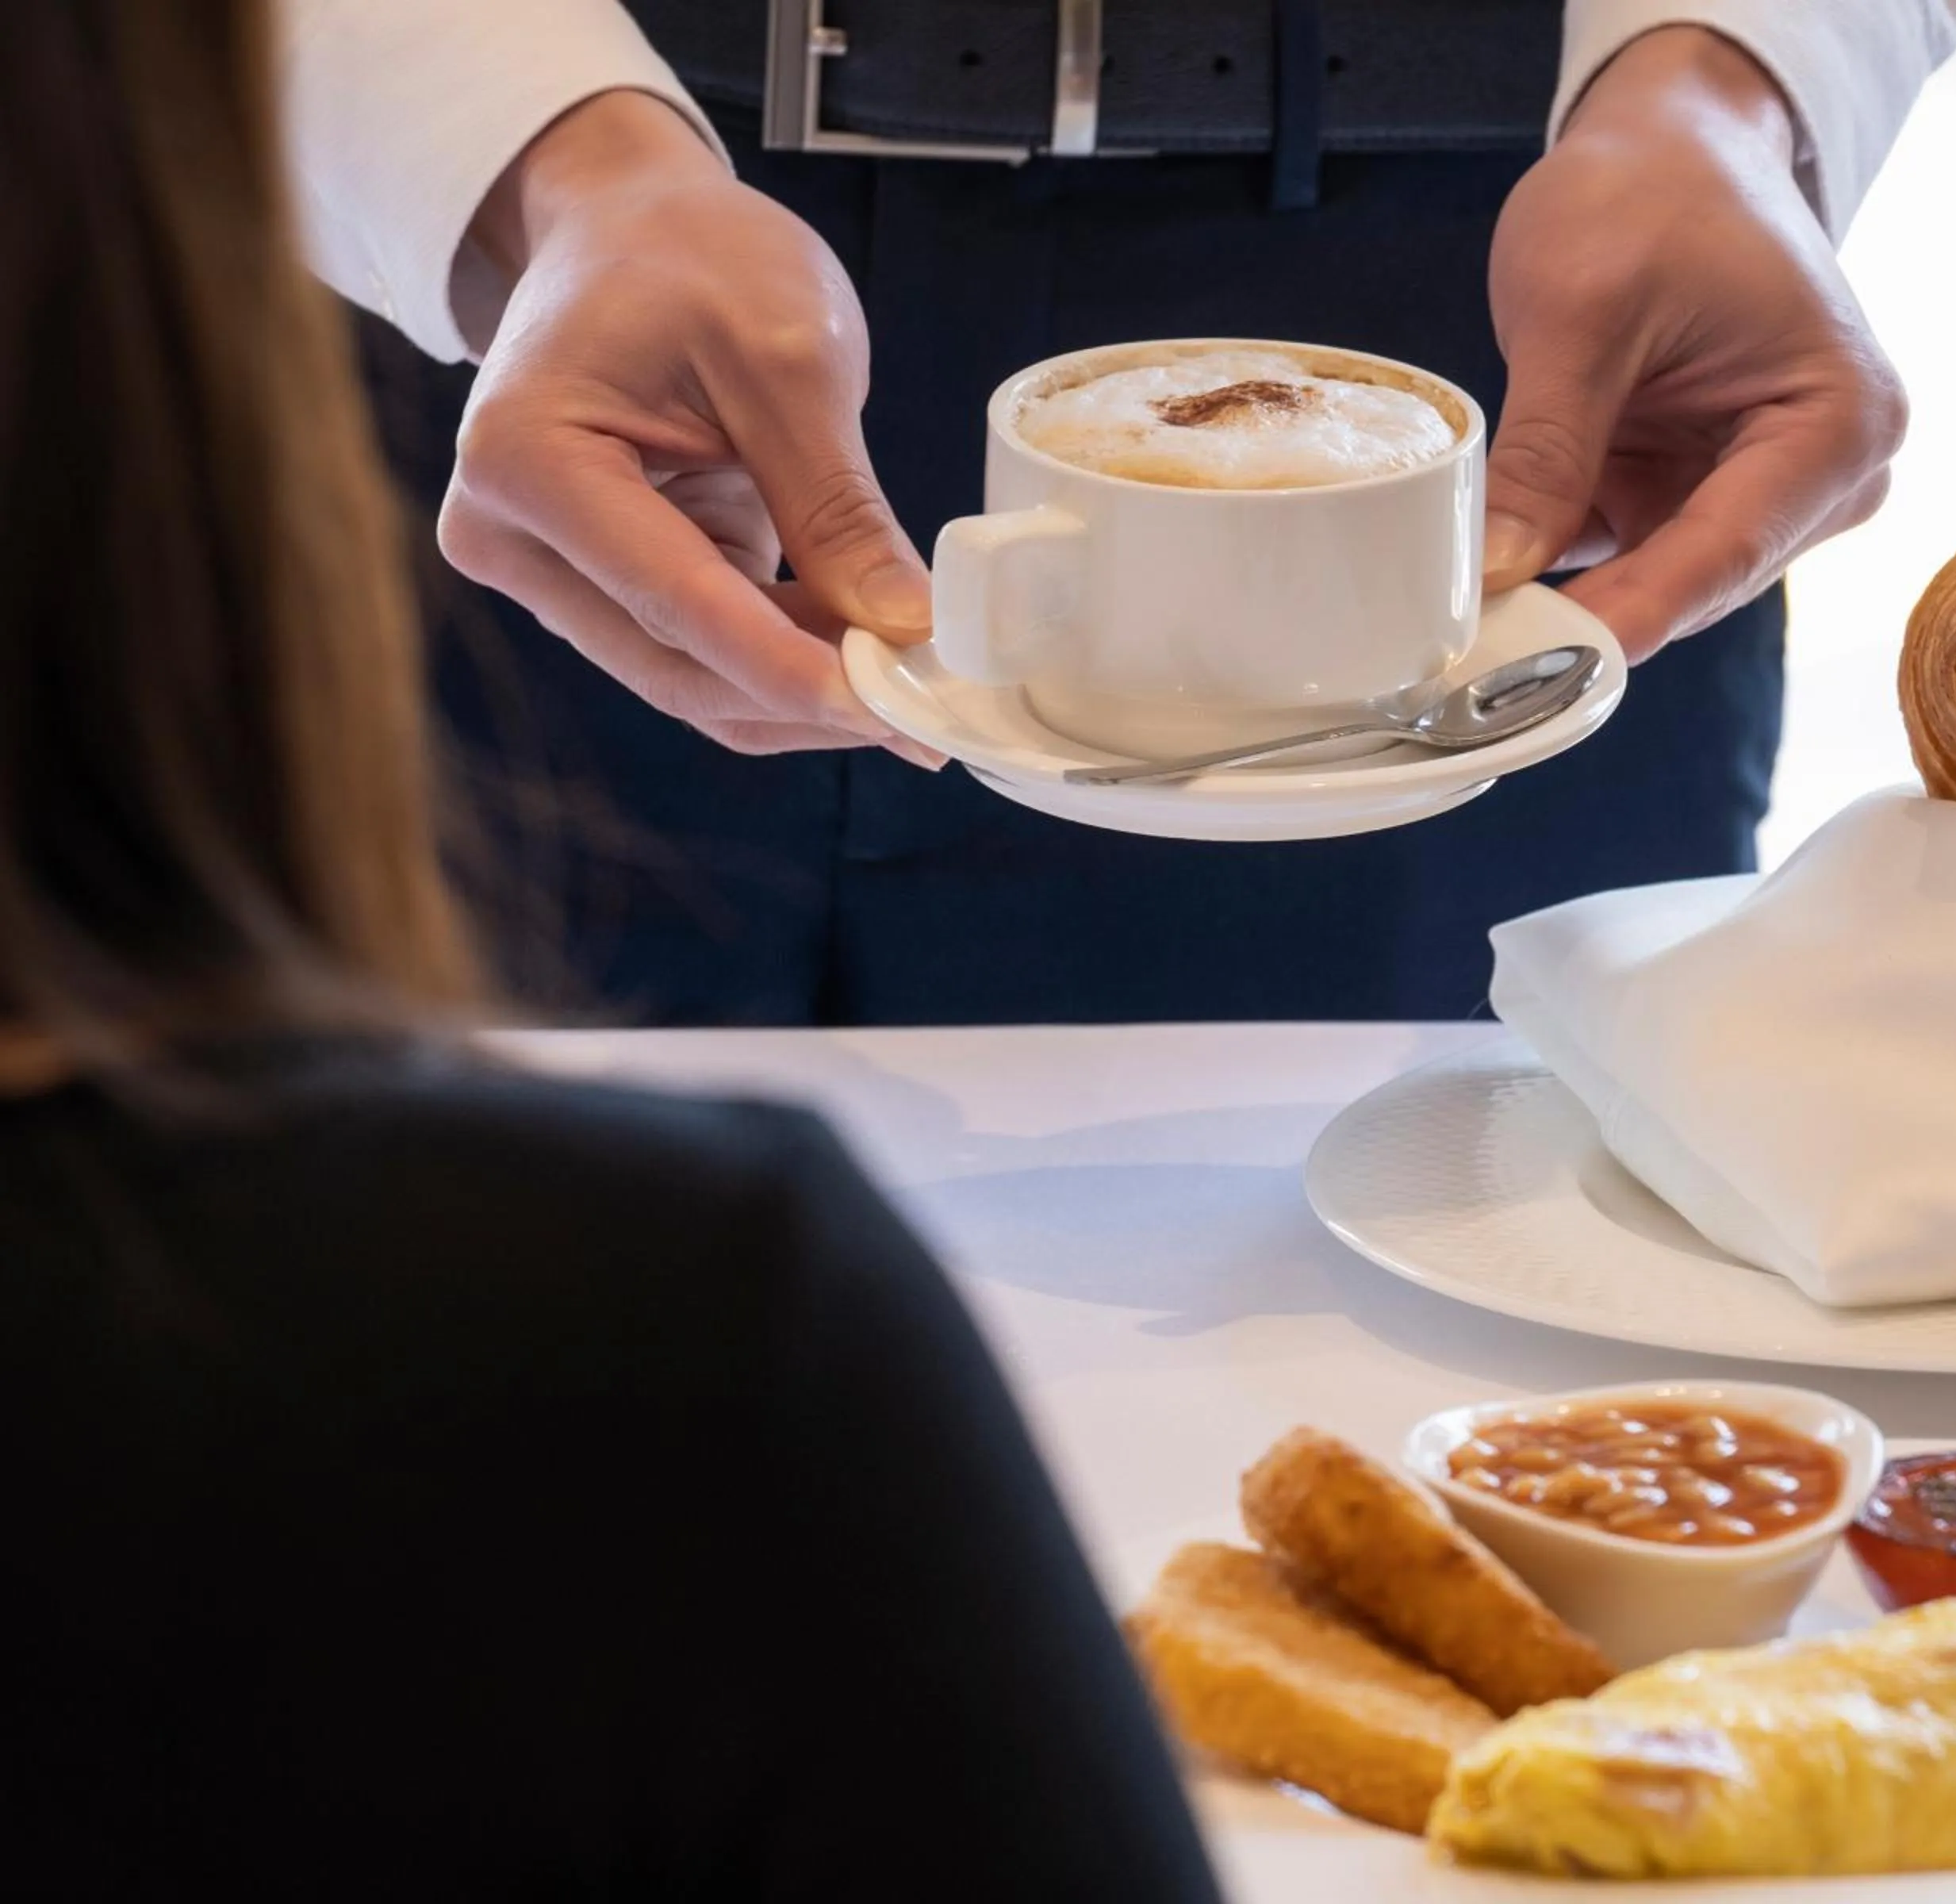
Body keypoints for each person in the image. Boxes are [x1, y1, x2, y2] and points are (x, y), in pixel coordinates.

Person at [0, 2, 1220, 1894]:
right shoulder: (701, 1323)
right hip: (498, 294)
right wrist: (539, 151)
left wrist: (1734, 67)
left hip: (1434, 244)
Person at [290, 0, 1956, 1024]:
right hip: (572, 319)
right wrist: (532, 156)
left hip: (1518, 306)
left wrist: (1735, 84)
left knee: (1444, 1365)